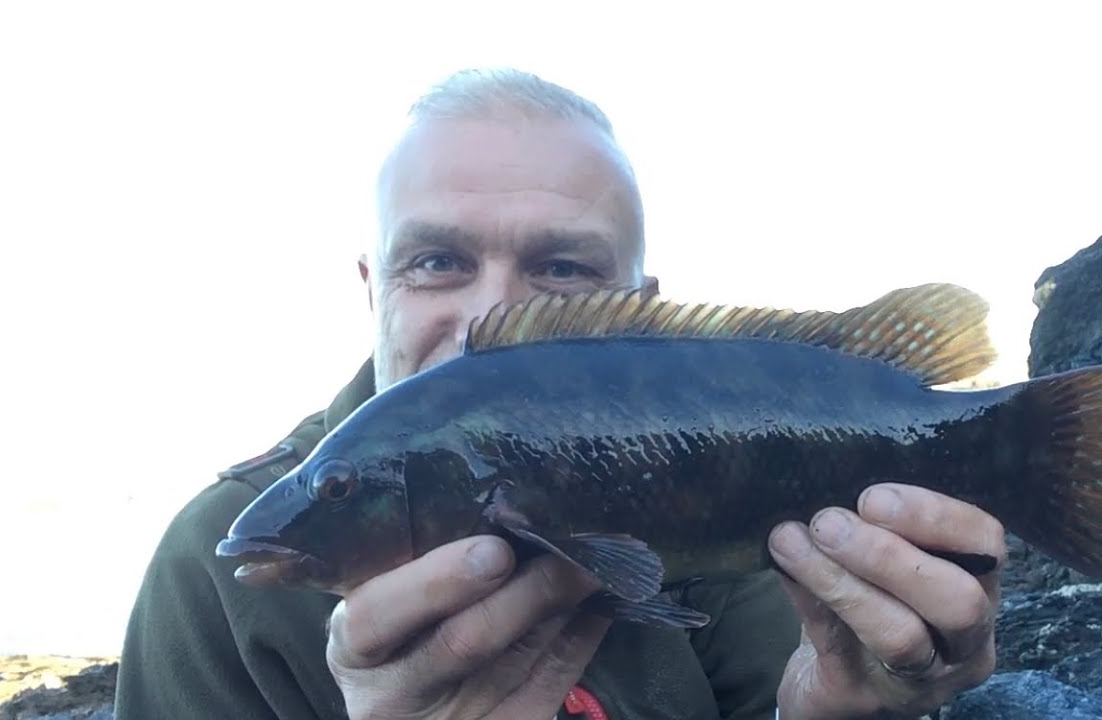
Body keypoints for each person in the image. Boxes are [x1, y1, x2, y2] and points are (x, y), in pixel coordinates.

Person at [113, 67, 1005, 720]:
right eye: (437, 261)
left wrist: (846, 710)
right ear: (373, 288)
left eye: (563, 269)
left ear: (642, 313)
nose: (490, 316)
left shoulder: (746, 524)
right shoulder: (211, 576)